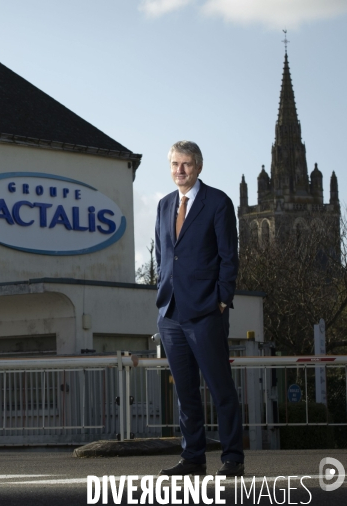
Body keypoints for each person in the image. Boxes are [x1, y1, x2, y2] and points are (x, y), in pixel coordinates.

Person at [155, 140, 244, 477]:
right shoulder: (164, 205)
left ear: (198, 166)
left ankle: (233, 457)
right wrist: (162, 296)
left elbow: (228, 256)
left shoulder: (218, 202)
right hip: (171, 315)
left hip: (207, 311)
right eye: (175, 164)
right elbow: (163, 257)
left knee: (221, 388)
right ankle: (193, 458)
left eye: (186, 164)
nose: (180, 170)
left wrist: (222, 299)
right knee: (186, 393)